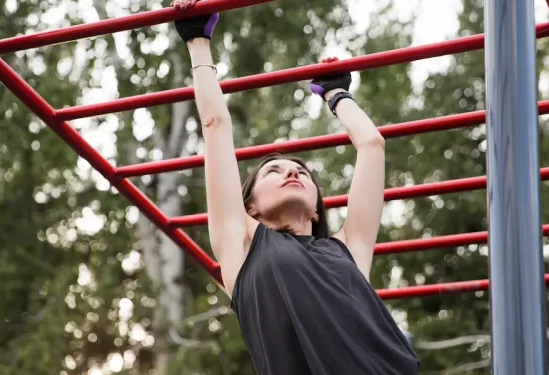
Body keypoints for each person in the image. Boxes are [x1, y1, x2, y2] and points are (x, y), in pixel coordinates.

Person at [172, 1, 420, 374]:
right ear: (250, 207)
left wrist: (337, 95)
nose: (293, 173)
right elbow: (214, 124)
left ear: (317, 208)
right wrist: (197, 40)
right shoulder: (241, 245)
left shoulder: (348, 250)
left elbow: (372, 146)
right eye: (274, 171)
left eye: (302, 173)